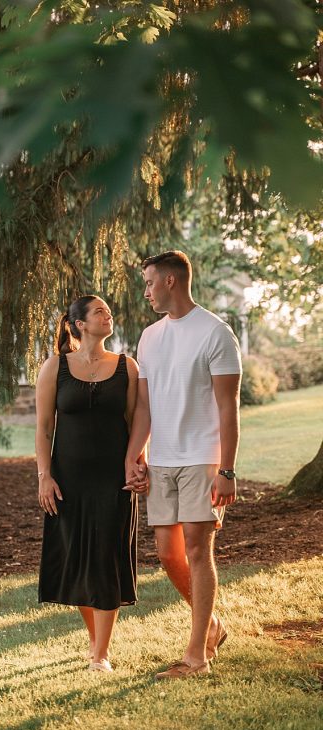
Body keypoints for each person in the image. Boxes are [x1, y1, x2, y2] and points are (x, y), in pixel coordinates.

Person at [124, 250, 241, 680]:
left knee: (196, 548)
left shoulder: (215, 332)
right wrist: (134, 456)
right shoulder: (149, 337)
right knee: (167, 552)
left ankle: (197, 657)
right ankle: (213, 626)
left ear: (171, 281)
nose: (146, 290)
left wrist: (226, 469)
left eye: (150, 282)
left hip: (202, 458)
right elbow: (145, 409)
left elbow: (228, 407)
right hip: (163, 461)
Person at [35, 295, 141, 673]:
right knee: (79, 561)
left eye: (109, 311)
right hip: (69, 481)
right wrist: (44, 476)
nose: (107, 315)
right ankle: (96, 643)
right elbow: (45, 427)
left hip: (114, 480)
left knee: (107, 559)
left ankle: (100, 655)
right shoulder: (55, 367)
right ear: (79, 324)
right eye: (99, 312)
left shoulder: (127, 367)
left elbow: (135, 421)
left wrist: (136, 464)